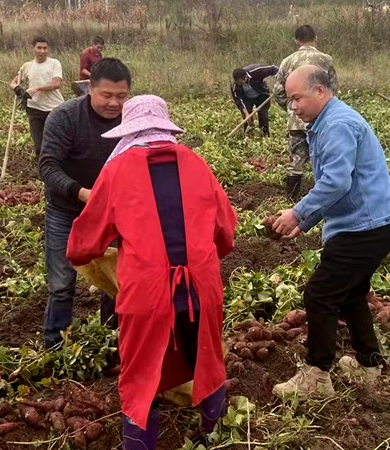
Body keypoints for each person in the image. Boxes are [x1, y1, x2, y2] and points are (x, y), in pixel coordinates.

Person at [67, 95, 237, 449]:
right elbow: (225, 232)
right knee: (207, 356)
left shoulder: (117, 171)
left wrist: (90, 255)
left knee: (140, 372)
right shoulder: (195, 163)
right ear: (165, 129)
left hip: (146, 291)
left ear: (130, 133)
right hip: (201, 288)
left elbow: (86, 242)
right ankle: (216, 436)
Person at [270, 65, 390, 400]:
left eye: (297, 98)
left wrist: (298, 213)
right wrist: (305, 221)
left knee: (320, 294)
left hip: (365, 227)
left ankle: (316, 376)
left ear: (320, 91)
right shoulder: (327, 122)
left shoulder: (338, 124)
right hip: (370, 223)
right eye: (289, 100)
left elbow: (336, 182)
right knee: (351, 294)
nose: (293, 106)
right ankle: (370, 363)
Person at [38, 58, 131, 349]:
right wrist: (82, 193)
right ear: (88, 88)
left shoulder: (131, 120)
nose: (114, 103)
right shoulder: (65, 117)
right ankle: (55, 345)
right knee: (62, 283)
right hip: (66, 210)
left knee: (116, 279)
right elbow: (48, 166)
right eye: (106, 95)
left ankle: (111, 339)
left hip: (112, 211)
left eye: (121, 96)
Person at [273, 25, 337, 201]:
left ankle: (291, 200)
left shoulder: (287, 61)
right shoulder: (326, 60)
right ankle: (324, 198)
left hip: (297, 120)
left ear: (297, 41)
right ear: (315, 38)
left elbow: (278, 91)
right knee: (326, 158)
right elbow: (332, 89)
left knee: (296, 161)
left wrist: (291, 108)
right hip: (322, 120)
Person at [9, 36, 64, 158]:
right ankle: (42, 169)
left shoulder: (54, 63)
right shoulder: (27, 66)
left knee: (55, 142)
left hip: (54, 109)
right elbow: (13, 82)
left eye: (45, 48)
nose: (42, 51)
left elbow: (56, 84)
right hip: (34, 109)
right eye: (39, 48)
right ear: (33, 48)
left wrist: (37, 88)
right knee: (39, 146)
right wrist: (17, 89)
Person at [231, 64, 279, 137]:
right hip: (247, 99)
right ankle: (248, 134)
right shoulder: (235, 85)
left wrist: (281, 81)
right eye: (238, 83)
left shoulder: (256, 71)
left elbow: (273, 69)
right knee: (247, 119)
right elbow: (239, 100)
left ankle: (265, 135)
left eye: (241, 83)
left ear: (245, 77)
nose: (240, 85)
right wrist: (247, 114)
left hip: (261, 95)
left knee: (263, 116)